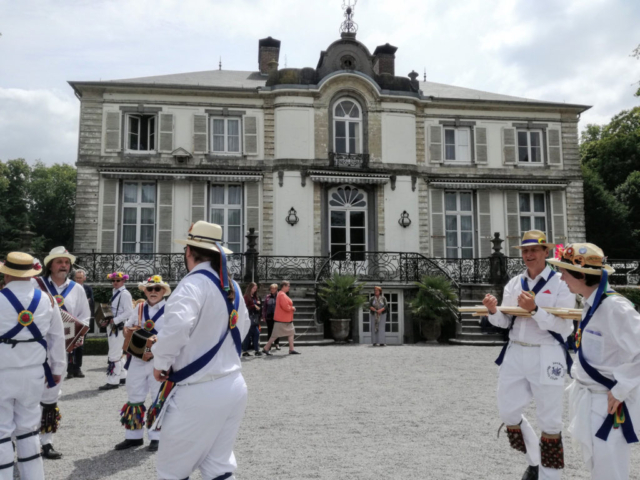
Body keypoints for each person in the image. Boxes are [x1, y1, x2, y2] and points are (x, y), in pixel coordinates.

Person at [150, 221, 250, 480]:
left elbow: (178, 326)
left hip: (198, 390)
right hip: (233, 385)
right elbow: (245, 325)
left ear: (188, 252)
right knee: (219, 467)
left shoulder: (192, 283)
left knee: (171, 471)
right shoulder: (234, 287)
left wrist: (161, 362)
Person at [482, 230, 575, 480]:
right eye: (525, 250)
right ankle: (534, 461)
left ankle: (549, 477)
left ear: (547, 252)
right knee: (508, 413)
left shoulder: (561, 283)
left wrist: (535, 311)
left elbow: (566, 328)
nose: (529, 254)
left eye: (534, 250)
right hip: (516, 351)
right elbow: (504, 321)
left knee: (550, 420)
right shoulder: (515, 283)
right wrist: (493, 311)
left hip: (548, 353)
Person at [548, 243, 640, 480]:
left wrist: (620, 390)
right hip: (591, 399)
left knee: (610, 471)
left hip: (608, 403)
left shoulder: (615, 307)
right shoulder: (592, 304)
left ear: (582, 275)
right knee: (599, 469)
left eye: (565, 271)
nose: (561, 276)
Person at [0, 252, 65, 480]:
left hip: (2, 373)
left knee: (1, 431)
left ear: (6, 274)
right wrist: (58, 370)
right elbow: (57, 338)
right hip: (34, 374)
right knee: (28, 430)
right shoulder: (47, 299)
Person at [33, 246, 91, 460]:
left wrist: (77, 336)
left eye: (67, 262)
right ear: (50, 265)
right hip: (34, 348)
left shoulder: (77, 289)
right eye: (59, 262)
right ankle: (21, 440)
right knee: (27, 395)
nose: (64, 266)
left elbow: (85, 317)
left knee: (51, 396)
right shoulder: (36, 284)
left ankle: (46, 443)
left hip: (61, 350)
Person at [115, 274, 170, 453]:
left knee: (157, 397)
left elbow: (174, 333)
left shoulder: (170, 308)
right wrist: (128, 331)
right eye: (150, 289)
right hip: (137, 358)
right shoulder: (138, 307)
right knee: (134, 393)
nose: (153, 292)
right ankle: (133, 437)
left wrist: (157, 339)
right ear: (145, 291)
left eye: (157, 289)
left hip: (159, 359)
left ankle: (156, 437)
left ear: (163, 291)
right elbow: (127, 326)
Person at [98, 272, 134, 390]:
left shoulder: (125, 294)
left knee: (113, 355)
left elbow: (129, 312)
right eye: (113, 281)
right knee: (118, 353)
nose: (115, 283)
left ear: (123, 281)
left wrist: (115, 320)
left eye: (118, 280)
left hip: (118, 326)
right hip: (113, 325)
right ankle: (123, 376)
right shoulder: (115, 292)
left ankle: (113, 381)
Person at [262, 280, 300, 355]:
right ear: (284, 286)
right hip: (282, 319)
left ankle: (291, 349)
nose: (289, 287)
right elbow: (285, 307)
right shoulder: (282, 294)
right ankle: (266, 348)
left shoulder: (281, 294)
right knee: (275, 335)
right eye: (288, 286)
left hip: (285, 319)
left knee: (291, 333)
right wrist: (292, 308)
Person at [71, 269, 94, 377]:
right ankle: (69, 370)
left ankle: (78, 368)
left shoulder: (88, 289)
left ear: (84, 278)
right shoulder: (70, 288)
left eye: (80, 278)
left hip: (83, 321)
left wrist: (89, 322)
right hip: (71, 320)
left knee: (80, 346)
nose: (79, 280)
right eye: (77, 278)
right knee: (69, 345)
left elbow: (91, 306)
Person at [242, 282, 262, 357]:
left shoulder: (254, 296)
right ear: (250, 288)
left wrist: (258, 305)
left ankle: (254, 350)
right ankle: (248, 350)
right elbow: (245, 306)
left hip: (254, 317)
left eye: (255, 289)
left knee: (254, 334)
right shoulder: (246, 297)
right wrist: (254, 306)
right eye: (254, 288)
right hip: (249, 317)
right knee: (252, 334)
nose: (254, 290)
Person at [262, 284, 280, 350]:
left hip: (277, 316)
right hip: (269, 316)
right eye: (271, 288)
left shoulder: (279, 296)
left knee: (277, 330)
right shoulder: (267, 297)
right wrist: (263, 316)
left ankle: (277, 343)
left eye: (274, 288)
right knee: (269, 331)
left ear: (276, 289)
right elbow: (264, 307)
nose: (272, 290)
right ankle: (269, 344)